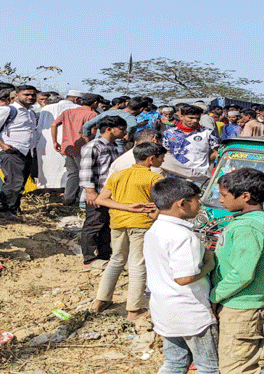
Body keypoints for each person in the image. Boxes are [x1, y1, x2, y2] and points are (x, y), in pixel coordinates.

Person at [210, 168, 264, 374]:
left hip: (240, 308)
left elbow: (242, 273)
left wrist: (214, 296)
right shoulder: (252, 222)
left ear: (245, 196)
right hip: (241, 303)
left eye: (224, 195)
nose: (220, 200)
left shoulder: (249, 228)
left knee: (235, 368)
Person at [144, 178, 219, 374]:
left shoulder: (155, 230)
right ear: (182, 203)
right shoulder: (183, 236)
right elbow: (184, 278)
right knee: (209, 367)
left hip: (164, 308)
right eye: (196, 200)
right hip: (190, 313)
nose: (200, 204)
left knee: (174, 363)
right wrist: (209, 265)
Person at [90, 142, 166, 320]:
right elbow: (162, 204)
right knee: (137, 264)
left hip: (117, 223)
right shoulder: (154, 178)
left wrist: (126, 207)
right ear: (151, 159)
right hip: (141, 224)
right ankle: (134, 309)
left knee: (116, 260)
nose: (163, 161)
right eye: (161, 158)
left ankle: (100, 300)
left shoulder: (118, 175)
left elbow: (102, 199)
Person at [0, 85, 39, 221]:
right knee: (14, 181)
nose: (30, 97)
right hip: (11, 150)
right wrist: (2, 145)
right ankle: (3, 209)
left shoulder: (30, 112)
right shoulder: (7, 110)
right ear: (16, 96)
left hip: (26, 151)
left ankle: (12, 208)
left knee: (20, 182)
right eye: (26, 94)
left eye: (32, 95)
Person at [79, 116, 128, 270]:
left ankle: (104, 255)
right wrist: (90, 192)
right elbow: (86, 170)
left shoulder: (113, 146)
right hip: (97, 194)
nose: (124, 132)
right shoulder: (93, 146)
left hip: (108, 195)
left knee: (106, 225)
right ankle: (89, 259)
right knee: (94, 225)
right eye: (121, 129)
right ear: (109, 129)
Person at [52, 93, 100, 206]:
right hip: (83, 148)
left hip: (68, 147)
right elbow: (91, 133)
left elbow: (54, 125)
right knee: (86, 175)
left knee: (72, 174)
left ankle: (68, 199)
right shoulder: (92, 114)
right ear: (95, 103)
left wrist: (54, 141)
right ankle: (82, 201)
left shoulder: (68, 112)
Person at [36, 90, 82, 190]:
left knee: (48, 166)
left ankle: (47, 188)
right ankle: (67, 188)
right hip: (71, 141)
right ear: (76, 99)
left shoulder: (47, 108)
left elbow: (40, 128)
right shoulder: (79, 108)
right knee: (68, 167)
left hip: (47, 142)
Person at [163, 105, 219, 177]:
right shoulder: (169, 133)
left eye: (198, 118)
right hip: (176, 176)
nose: (195, 121)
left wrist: (201, 161)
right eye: (191, 118)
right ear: (181, 117)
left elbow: (215, 152)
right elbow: (167, 153)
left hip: (200, 176)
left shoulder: (208, 132)